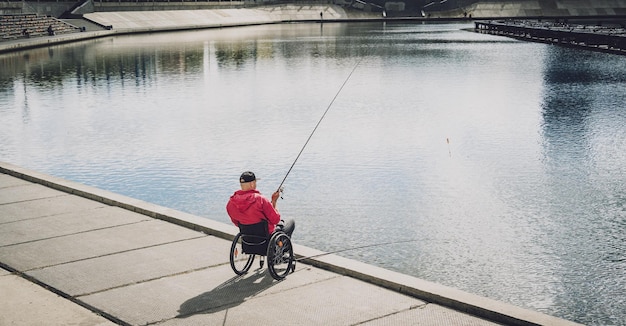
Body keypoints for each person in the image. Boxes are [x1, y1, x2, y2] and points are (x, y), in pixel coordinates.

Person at [226, 171, 295, 237]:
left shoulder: (230, 203)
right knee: (291, 222)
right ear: (252, 184)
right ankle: (283, 247)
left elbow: (237, 223)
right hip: (266, 236)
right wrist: (274, 202)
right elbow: (276, 220)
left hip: (247, 238)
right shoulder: (261, 200)